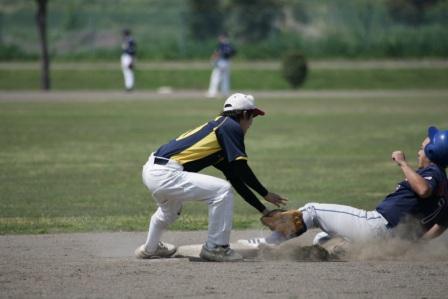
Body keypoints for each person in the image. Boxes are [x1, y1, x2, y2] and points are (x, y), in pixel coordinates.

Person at [135, 93, 287, 262]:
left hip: (153, 170)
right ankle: (216, 247)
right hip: (166, 173)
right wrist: (265, 193)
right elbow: (241, 167)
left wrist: (264, 210)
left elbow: (235, 178)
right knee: (222, 191)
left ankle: (150, 248)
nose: (251, 123)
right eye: (252, 116)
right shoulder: (230, 126)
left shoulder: (220, 132)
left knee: (169, 213)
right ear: (244, 114)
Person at [239, 126, 448, 248]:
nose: (418, 152)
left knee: (313, 211)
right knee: (325, 236)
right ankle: (330, 247)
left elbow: (423, 190)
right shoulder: (445, 189)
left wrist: (402, 163)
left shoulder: (432, 174)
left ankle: (264, 244)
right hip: (391, 242)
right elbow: (442, 224)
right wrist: (416, 246)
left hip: (375, 227)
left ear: (432, 153)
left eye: (422, 149)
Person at [206, 33, 237, 98]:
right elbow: (233, 52)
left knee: (215, 77)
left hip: (220, 62)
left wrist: (212, 60)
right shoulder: (229, 45)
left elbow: (217, 53)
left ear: (222, 38)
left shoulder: (221, 45)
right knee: (225, 78)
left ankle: (212, 93)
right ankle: (225, 93)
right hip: (227, 62)